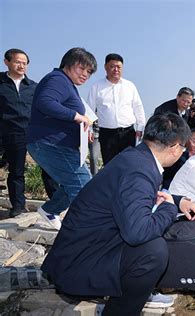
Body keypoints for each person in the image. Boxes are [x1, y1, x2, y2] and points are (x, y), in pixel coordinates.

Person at [42, 113, 195, 315]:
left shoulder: (136, 158)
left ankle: (131, 294)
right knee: (154, 252)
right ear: (174, 147)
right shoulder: (139, 171)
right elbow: (137, 233)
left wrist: (177, 201)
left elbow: (136, 198)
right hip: (78, 264)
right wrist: (169, 209)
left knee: (154, 237)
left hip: (85, 250)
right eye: (184, 147)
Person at [27, 47, 97, 230]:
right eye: (82, 68)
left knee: (74, 182)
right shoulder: (58, 79)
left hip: (58, 144)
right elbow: (45, 102)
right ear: (68, 63)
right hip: (51, 143)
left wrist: (82, 128)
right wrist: (77, 116)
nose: (85, 75)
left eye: (89, 72)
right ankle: (84, 230)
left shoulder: (67, 84)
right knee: (82, 186)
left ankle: (51, 210)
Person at [87, 53, 146, 165]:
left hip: (128, 133)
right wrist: (89, 130)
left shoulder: (130, 86)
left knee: (129, 165)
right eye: (112, 66)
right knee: (110, 166)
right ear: (105, 67)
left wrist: (140, 127)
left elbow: (138, 107)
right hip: (107, 135)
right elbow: (89, 110)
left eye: (118, 67)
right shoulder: (96, 87)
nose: (116, 70)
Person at [0, 49, 37, 218]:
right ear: (6, 62)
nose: (22, 65)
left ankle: (55, 205)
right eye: (17, 62)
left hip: (35, 133)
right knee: (16, 171)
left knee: (48, 169)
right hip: (11, 132)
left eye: (25, 63)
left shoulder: (33, 87)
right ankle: (18, 206)